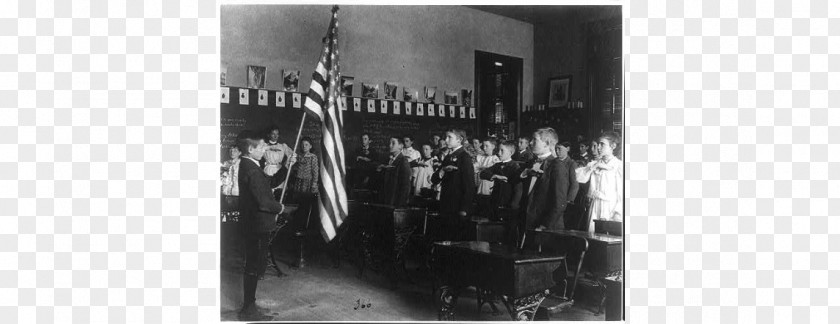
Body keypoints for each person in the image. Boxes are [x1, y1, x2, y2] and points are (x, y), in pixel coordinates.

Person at [235, 130, 295, 321]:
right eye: (261, 146)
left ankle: (250, 304)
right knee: (255, 266)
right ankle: (248, 309)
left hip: (255, 224)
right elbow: (263, 202)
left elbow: (268, 183)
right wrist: (282, 208)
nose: (265, 149)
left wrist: (286, 167)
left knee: (254, 265)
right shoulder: (251, 169)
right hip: (257, 225)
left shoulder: (251, 165)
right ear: (251, 149)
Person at [519, 128, 571, 235]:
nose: (531, 143)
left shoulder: (557, 166)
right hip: (529, 222)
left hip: (547, 227)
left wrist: (545, 225)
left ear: (546, 144)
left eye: (535, 140)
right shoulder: (530, 163)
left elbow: (559, 202)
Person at [431, 129, 476, 240]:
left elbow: (469, 185)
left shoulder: (464, 157)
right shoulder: (448, 157)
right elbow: (434, 179)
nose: (446, 140)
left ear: (459, 140)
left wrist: (465, 208)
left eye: (449, 137)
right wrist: (443, 171)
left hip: (457, 206)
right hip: (446, 204)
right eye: (446, 137)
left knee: (454, 239)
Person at [576, 131, 623, 233]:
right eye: (598, 144)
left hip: (611, 208)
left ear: (613, 146)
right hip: (595, 206)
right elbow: (579, 177)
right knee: (593, 235)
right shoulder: (594, 164)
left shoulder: (619, 166)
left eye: (602, 144)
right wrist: (593, 167)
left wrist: (618, 213)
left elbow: (622, 193)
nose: (598, 147)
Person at [290, 137, 319, 228]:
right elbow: (294, 169)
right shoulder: (298, 156)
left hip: (308, 184)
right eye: (302, 145)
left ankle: (306, 224)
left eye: (306, 144)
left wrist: (314, 184)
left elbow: (315, 172)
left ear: (310, 146)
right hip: (299, 183)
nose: (304, 146)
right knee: (299, 204)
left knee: (306, 204)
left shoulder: (313, 157)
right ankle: (298, 223)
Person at [378, 136, 412, 207]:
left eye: (393, 143)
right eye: (389, 143)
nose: (390, 145)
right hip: (385, 201)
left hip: (395, 203)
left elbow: (405, 187)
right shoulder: (388, 160)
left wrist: (399, 206)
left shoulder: (403, 161)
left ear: (401, 146)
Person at [555, 141, 580, 230]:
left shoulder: (572, 164)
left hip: (564, 199)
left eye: (560, 149)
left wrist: (569, 200)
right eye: (556, 149)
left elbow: (575, 184)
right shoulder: (554, 162)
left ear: (568, 149)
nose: (557, 151)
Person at [474, 138, 500, 217]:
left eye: (487, 146)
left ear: (493, 146)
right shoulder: (480, 157)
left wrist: (482, 168)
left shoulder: (495, 159)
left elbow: (491, 171)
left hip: (488, 184)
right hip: (478, 181)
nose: (484, 148)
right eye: (483, 146)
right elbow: (475, 167)